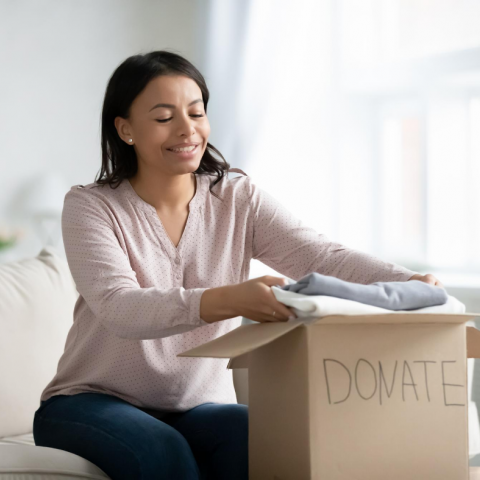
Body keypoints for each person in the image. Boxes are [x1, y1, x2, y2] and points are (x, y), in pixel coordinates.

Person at [32, 50, 442, 480]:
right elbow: (120, 307)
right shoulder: (91, 207)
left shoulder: (237, 198)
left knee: (259, 434)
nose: (188, 129)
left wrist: (406, 280)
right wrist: (230, 300)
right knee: (161, 449)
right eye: (164, 117)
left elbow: (320, 256)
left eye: (196, 112)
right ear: (126, 129)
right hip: (89, 401)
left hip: (194, 407)